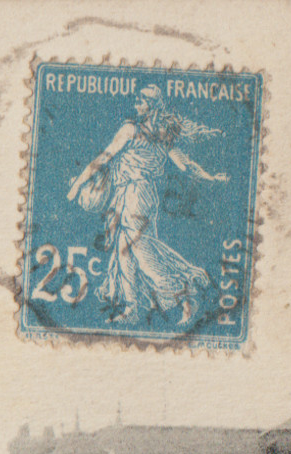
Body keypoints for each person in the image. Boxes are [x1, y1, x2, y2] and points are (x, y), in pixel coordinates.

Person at [66, 84, 229, 326]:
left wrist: (77, 186)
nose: (135, 106)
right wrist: (210, 177)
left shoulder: (130, 130)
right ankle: (134, 307)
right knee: (126, 253)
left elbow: (104, 157)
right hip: (143, 196)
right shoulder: (164, 137)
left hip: (134, 193)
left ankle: (184, 286)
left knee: (141, 251)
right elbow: (187, 165)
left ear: (150, 106)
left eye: (140, 102)